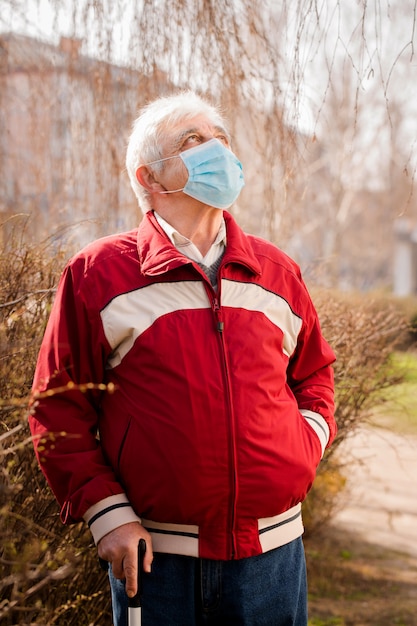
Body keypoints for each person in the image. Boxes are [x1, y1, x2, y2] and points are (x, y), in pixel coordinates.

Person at [29, 90, 336, 626]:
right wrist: (108, 516)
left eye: (221, 139)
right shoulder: (96, 274)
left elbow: (314, 375)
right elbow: (57, 411)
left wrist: (304, 445)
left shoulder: (278, 272)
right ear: (149, 177)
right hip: (155, 561)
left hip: (274, 557)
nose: (217, 150)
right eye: (194, 141)